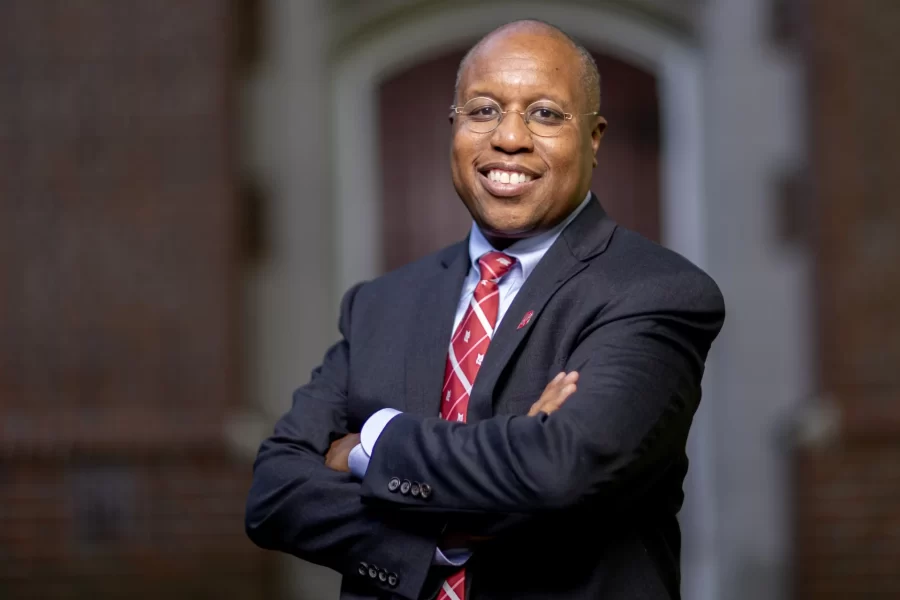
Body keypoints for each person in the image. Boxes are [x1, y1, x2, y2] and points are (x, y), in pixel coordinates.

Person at [245, 19, 725, 600]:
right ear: (455, 126)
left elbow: (561, 468)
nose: (510, 139)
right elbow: (274, 494)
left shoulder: (655, 291)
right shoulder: (380, 305)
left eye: (545, 113)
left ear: (595, 138)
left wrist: (375, 443)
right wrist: (448, 533)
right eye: (483, 110)